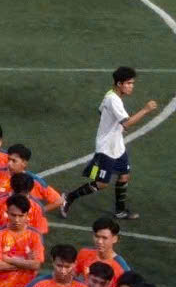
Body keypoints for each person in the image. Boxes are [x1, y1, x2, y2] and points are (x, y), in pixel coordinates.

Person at [66, 67, 156, 222]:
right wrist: (145, 110)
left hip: (117, 146)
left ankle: (120, 211)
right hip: (107, 148)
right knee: (101, 183)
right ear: (119, 84)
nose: (131, 86)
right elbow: (127, 123)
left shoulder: (110, 94)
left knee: (124, 175)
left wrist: (116, 127)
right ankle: (69, 197)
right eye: (129, 83)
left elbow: (101, 111)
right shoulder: (113, 100)